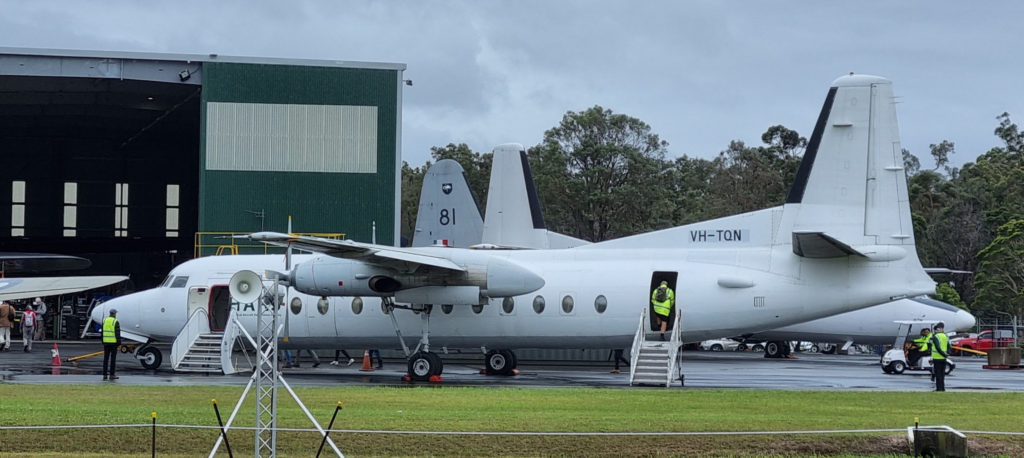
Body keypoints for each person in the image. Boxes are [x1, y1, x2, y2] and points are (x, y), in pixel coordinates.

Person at [929, 321, 951, 392]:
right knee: (942, 374)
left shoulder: (936, 337)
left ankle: (939, 389)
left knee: (938, 374)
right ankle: (943, 388)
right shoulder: (946, 336)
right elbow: (949, 346)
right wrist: (947, 354)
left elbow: (938, 348)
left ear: (938, 328)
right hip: (944, 358)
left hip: (937, 357)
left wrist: (944, 354)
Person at [102, 308, 121, 380]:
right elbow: (117, 333)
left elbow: (103, 332)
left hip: (106, 343)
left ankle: (104, 374)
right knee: (113, 359)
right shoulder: (115, 321)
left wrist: (103, 341)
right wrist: (119, 343)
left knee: (105, 359)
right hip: (113, 343)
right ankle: (112, 374)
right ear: (114, 314)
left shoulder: (105, 320)